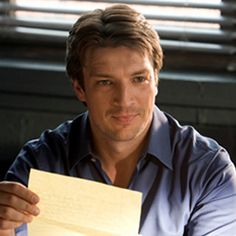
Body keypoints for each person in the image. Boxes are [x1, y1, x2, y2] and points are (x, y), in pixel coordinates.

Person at [0, 4, 236, 236]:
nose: (124, 100)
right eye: (105, 82)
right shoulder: (40, 163)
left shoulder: (209, 171)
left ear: (156, 79)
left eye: (138, 79)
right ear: (80, 88)